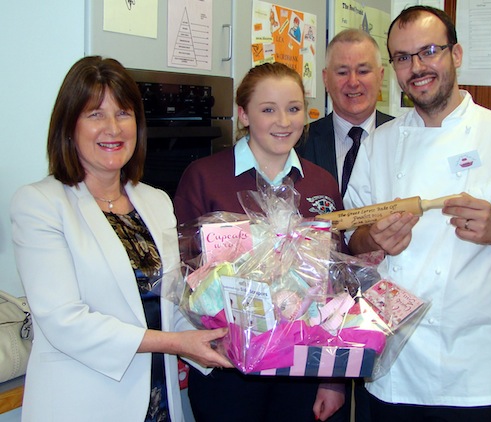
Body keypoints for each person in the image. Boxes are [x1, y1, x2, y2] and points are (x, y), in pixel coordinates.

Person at [345, 6, 491, 422]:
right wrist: (373, 240)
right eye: (403, 57)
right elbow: (351, 243)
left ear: (457, 54)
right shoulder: (379, 144)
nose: (417, 67)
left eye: (429, 51)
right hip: (394, 372)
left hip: (478, 375)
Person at [10, 56, 231, 422]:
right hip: (82, 404)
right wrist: (176, 344)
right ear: (69, 126)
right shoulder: (40, 204)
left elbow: (172, 306)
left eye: (123, 113)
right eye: (95, 114)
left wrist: (230, 331)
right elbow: (65, 321)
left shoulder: (156, 202)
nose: (112, 128)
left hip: (157, 400)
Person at [174, 62, 347, 422]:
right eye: (268, 109)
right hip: (227, 367)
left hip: (302, 370)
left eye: (294, 108)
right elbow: (184, 276)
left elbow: (335, 288)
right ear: (243, 114)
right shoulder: (205, 177)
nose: (283, 121)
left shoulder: (321, 184)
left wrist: (333, 378)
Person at [296, 28, 394, 196]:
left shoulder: (402, 138)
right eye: (342, 72)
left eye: (363, 71)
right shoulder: (299, 144)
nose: (353, 82)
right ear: (326, 79)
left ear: (380, 76)